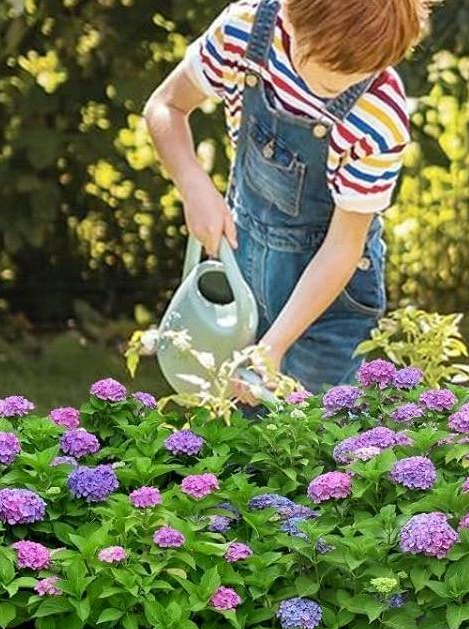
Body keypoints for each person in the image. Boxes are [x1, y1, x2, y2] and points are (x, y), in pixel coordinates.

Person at [143, 0, 430, 394]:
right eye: (333, 78)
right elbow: (165, 106)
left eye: (364, 73)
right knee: (235, 436)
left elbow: (343, 247)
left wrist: (271, 347)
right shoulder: (244, 33)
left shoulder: (378, 115)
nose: (349, 86)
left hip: (328, 302)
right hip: (244, 271)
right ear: (291, 21)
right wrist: (193, 185)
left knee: (313, 439)